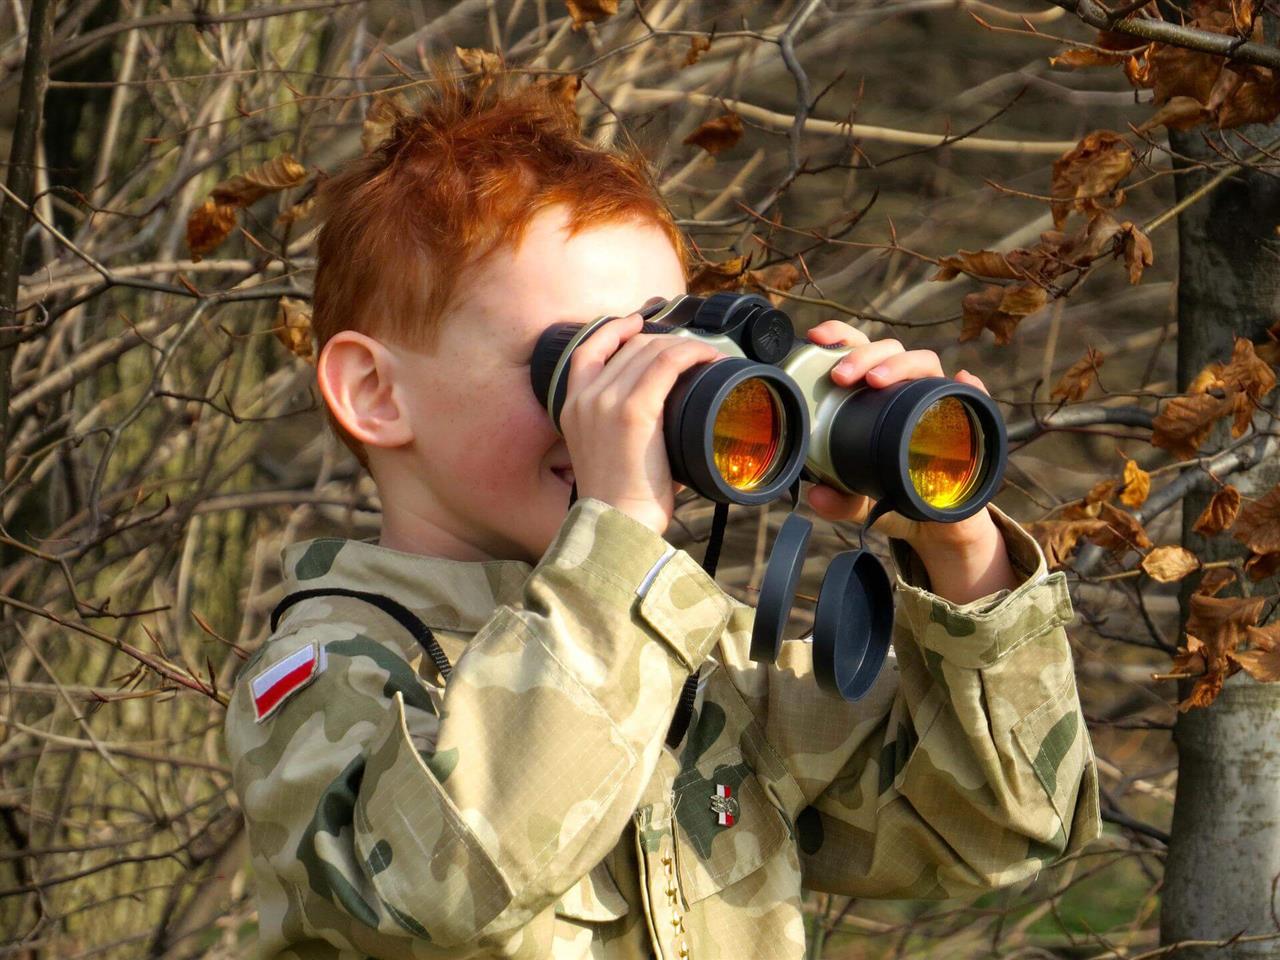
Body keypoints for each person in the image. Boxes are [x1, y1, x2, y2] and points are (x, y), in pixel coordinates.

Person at [224, 66, 1100, 960]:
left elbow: (1000, 826)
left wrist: (954, 541)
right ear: (374, 392)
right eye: (579, 361)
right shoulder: (334, 669)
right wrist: (619, 535)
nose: (630, 406)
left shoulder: (700, 667)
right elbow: (443, 885)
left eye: (665, 360)